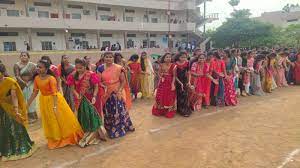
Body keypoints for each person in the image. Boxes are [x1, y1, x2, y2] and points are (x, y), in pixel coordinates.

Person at [27, 60, 83, 149]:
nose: (38, 68)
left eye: (40, 67)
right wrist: (28, 103)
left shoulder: (51, 78)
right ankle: (54, 137)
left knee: (59, 119)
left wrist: (55, 106)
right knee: (49, 120)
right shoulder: (37, 78)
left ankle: (62, 138)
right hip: (44, 101)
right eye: (37, 67)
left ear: (46, 69)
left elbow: (54, 93)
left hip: (54, 100)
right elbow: (35, 92)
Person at [0, 64, 37, 161]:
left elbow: (14, 97)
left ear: (3, 73)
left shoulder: (10, 82)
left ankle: (17, 148)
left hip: (10, 110)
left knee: (12, 129)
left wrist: (16, 110)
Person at [67, 59, 106, 147]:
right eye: (77, 68)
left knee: (93, 115)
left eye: (81, 68)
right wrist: (77, 95)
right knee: (83, 114)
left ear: (85, 66)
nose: (79, 70)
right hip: (80, 98)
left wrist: (94, 96)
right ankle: (85, 130)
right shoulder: (72, 76)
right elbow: (72, 88)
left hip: (91, 98)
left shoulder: (91, 75)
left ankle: (95, 132)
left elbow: (96, 86)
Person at [97, 52, 135, 138]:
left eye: (110, 57)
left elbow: (123, 81)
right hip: (106, 93)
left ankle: (119, 129)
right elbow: (99, 81)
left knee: (118, 111)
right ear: (104, 58)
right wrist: (103, 86)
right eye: (107, 57)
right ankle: (110, 129)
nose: (108, 59)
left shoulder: (119, 68)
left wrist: (120, 90)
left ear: (113, 58)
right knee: (108, 112)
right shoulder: (100, 68)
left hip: (116, 91)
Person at [13, 52, 37, 123]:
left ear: (28, 57)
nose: (23, 57)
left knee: (31, 100)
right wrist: (23, 83)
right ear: (20, 57)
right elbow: (17, 76)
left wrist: (29, 82)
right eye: (22, 56)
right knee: (22, 99)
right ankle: (22, 116)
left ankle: (32, 116)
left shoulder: (33, 65)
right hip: (21, 85)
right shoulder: (17, 65)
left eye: (25, 55)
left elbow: (35, 74)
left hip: (31, 84)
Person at [152, 53, 177, 118]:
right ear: (164, 58)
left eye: (169, 57)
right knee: (161, 95)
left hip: (170, 82)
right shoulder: (161, 65)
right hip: (162, 83)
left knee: (169, 96)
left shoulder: (174, 66)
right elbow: (159, 73)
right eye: (167, 57)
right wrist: (162, 76)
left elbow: (174, 76)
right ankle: (160, 110)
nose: (168, 58)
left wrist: (173, 84)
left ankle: (169, 111)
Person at [175, 52, 192, 117]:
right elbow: (175, 75)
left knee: (184, 95)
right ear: (178, 57)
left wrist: (189, 81)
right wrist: (180, 83)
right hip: (177, 81)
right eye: (182, 57)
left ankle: (184, 109)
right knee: (178, 95)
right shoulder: (175, 64)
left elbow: (189, 72)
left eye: (185, 57)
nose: (183, 58)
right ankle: (178, 108)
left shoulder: (187, 63)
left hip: (185, 81)